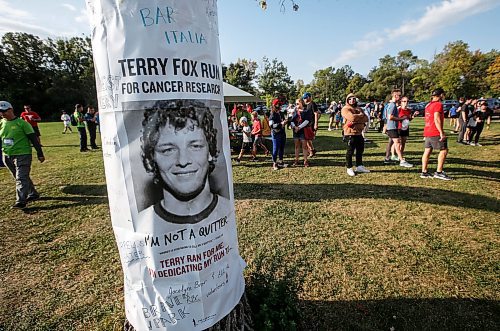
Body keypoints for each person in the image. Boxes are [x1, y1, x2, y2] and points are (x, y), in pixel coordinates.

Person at [139, 100, 230, 225]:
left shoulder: (228, 211)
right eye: (168, 150)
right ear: (152, 157)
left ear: (210, 151)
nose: (183, 161)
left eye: (195, 146)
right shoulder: (140, 225)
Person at [0, 101, 45, 209]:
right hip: (7, 155)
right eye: (0, 112)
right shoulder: (1, 123)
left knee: (21, 178)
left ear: (10, 109)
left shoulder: (22, 123)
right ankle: (33, 194)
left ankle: (21, 201)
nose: (2, 114)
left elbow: (34, 139)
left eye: (4, 111)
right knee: (19, 177)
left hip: (23, 154)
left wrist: (40, 153)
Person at [421, 88, 451, 180]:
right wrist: (441, 132)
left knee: (427, 151)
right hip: (435, 131)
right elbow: (436, 118)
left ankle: (424, 172)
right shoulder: (438, 105)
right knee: (444, 150)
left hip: (428, 131)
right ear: (441, 95)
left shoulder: (428, 105)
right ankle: (439, 172)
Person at [383, 89, 413, 167]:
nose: (400, 97)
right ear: (395, 96)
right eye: (399, 95)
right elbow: (390, 117)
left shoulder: (392, 104)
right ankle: (402, 160)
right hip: (392, 127)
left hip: (392, 127)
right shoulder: (392, 105)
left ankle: (387, 159)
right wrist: (401, 119)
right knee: (397, 143)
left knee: (392, 143)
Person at [341, 93, 369, 176]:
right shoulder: (345, 109)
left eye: (353, 98)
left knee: (360, 150)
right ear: (347, 100)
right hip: (350, 133)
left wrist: (357, 118)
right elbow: (351, 117)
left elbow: (366, 118)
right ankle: (349, 167)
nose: (352, 100)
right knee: (350, 151)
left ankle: (359, 165)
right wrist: (360, 116)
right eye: (350, 99)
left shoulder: (359, 108)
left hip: (359, 133)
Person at [269, 99, 287, 170]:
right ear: (275, 105)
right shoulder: (272, 114)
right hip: (276, 133)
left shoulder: (281, 113)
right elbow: (271, 125)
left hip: (282, 132)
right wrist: (281, 124)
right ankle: (274, 163)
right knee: (275, 148)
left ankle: (281, 161)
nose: (280, 106)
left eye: (281, 104)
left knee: (282, 147)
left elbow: (283, 120)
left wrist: (286, 121)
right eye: (279, 104)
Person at [290, 98, 309, 167]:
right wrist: (295, 127)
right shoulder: (295, 111)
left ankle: (305, 160)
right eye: (296, 104)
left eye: (297, 103)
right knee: (297, 146)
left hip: (303, 131)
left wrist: (299, 127)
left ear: (301, 103)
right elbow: (292, 120)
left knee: (304, 146)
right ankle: (296, 159)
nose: (296, 105)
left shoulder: (306, 111)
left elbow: (307, 121)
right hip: (295, 131)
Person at [302, 92, 318, 157]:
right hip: (306, 123)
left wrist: (316, 124)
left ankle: (311, 151)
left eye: (305, 98)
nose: (304, 100)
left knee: (308, 138)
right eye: (303, 98)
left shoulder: (312, 104)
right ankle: (312, 150)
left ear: (308, 97)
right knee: (307, 138)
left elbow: (316, 113)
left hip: (311, 123)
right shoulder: (306, 105)